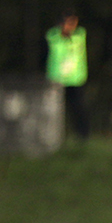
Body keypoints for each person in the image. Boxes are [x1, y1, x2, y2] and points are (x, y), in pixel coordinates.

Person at [47, 12, 89, 141]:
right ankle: (55, 136)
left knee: (78, 109)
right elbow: (53, 38)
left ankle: (82, 136)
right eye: (69, 23)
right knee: (55, 110)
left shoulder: (79, 35)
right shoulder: (53, 36)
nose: (71, 26)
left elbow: (78, 36)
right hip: (57, 80)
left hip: (76, 80)